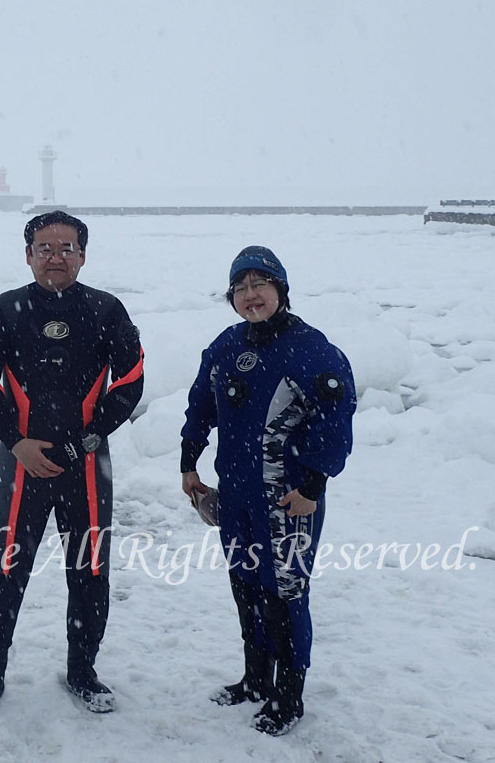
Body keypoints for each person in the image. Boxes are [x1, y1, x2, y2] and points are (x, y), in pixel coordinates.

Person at [0, 211, 144, 724]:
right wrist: (16, 442)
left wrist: (85, 440)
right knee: (5, 571)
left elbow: (129, 381)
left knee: (90, 570)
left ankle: (82, 672)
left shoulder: (107, 311)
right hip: (21, 467)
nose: (55, 256)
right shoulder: (6, 310)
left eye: (66, 248)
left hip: (85, 466)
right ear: (28, 255)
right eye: (44, 248)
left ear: (83, 255)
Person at [181, 246, 356, 736]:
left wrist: (313, 485)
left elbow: (335, 421)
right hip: (236, 498)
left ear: (281, 289)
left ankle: (289, 696)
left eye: (260, 284)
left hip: (287, 500)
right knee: (247, 589)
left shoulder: (312, 350)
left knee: (285, 594)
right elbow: (201, 406)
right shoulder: (226, 346)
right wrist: (188, 463)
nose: (250, 295)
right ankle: (256, 679)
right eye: (240, 287)